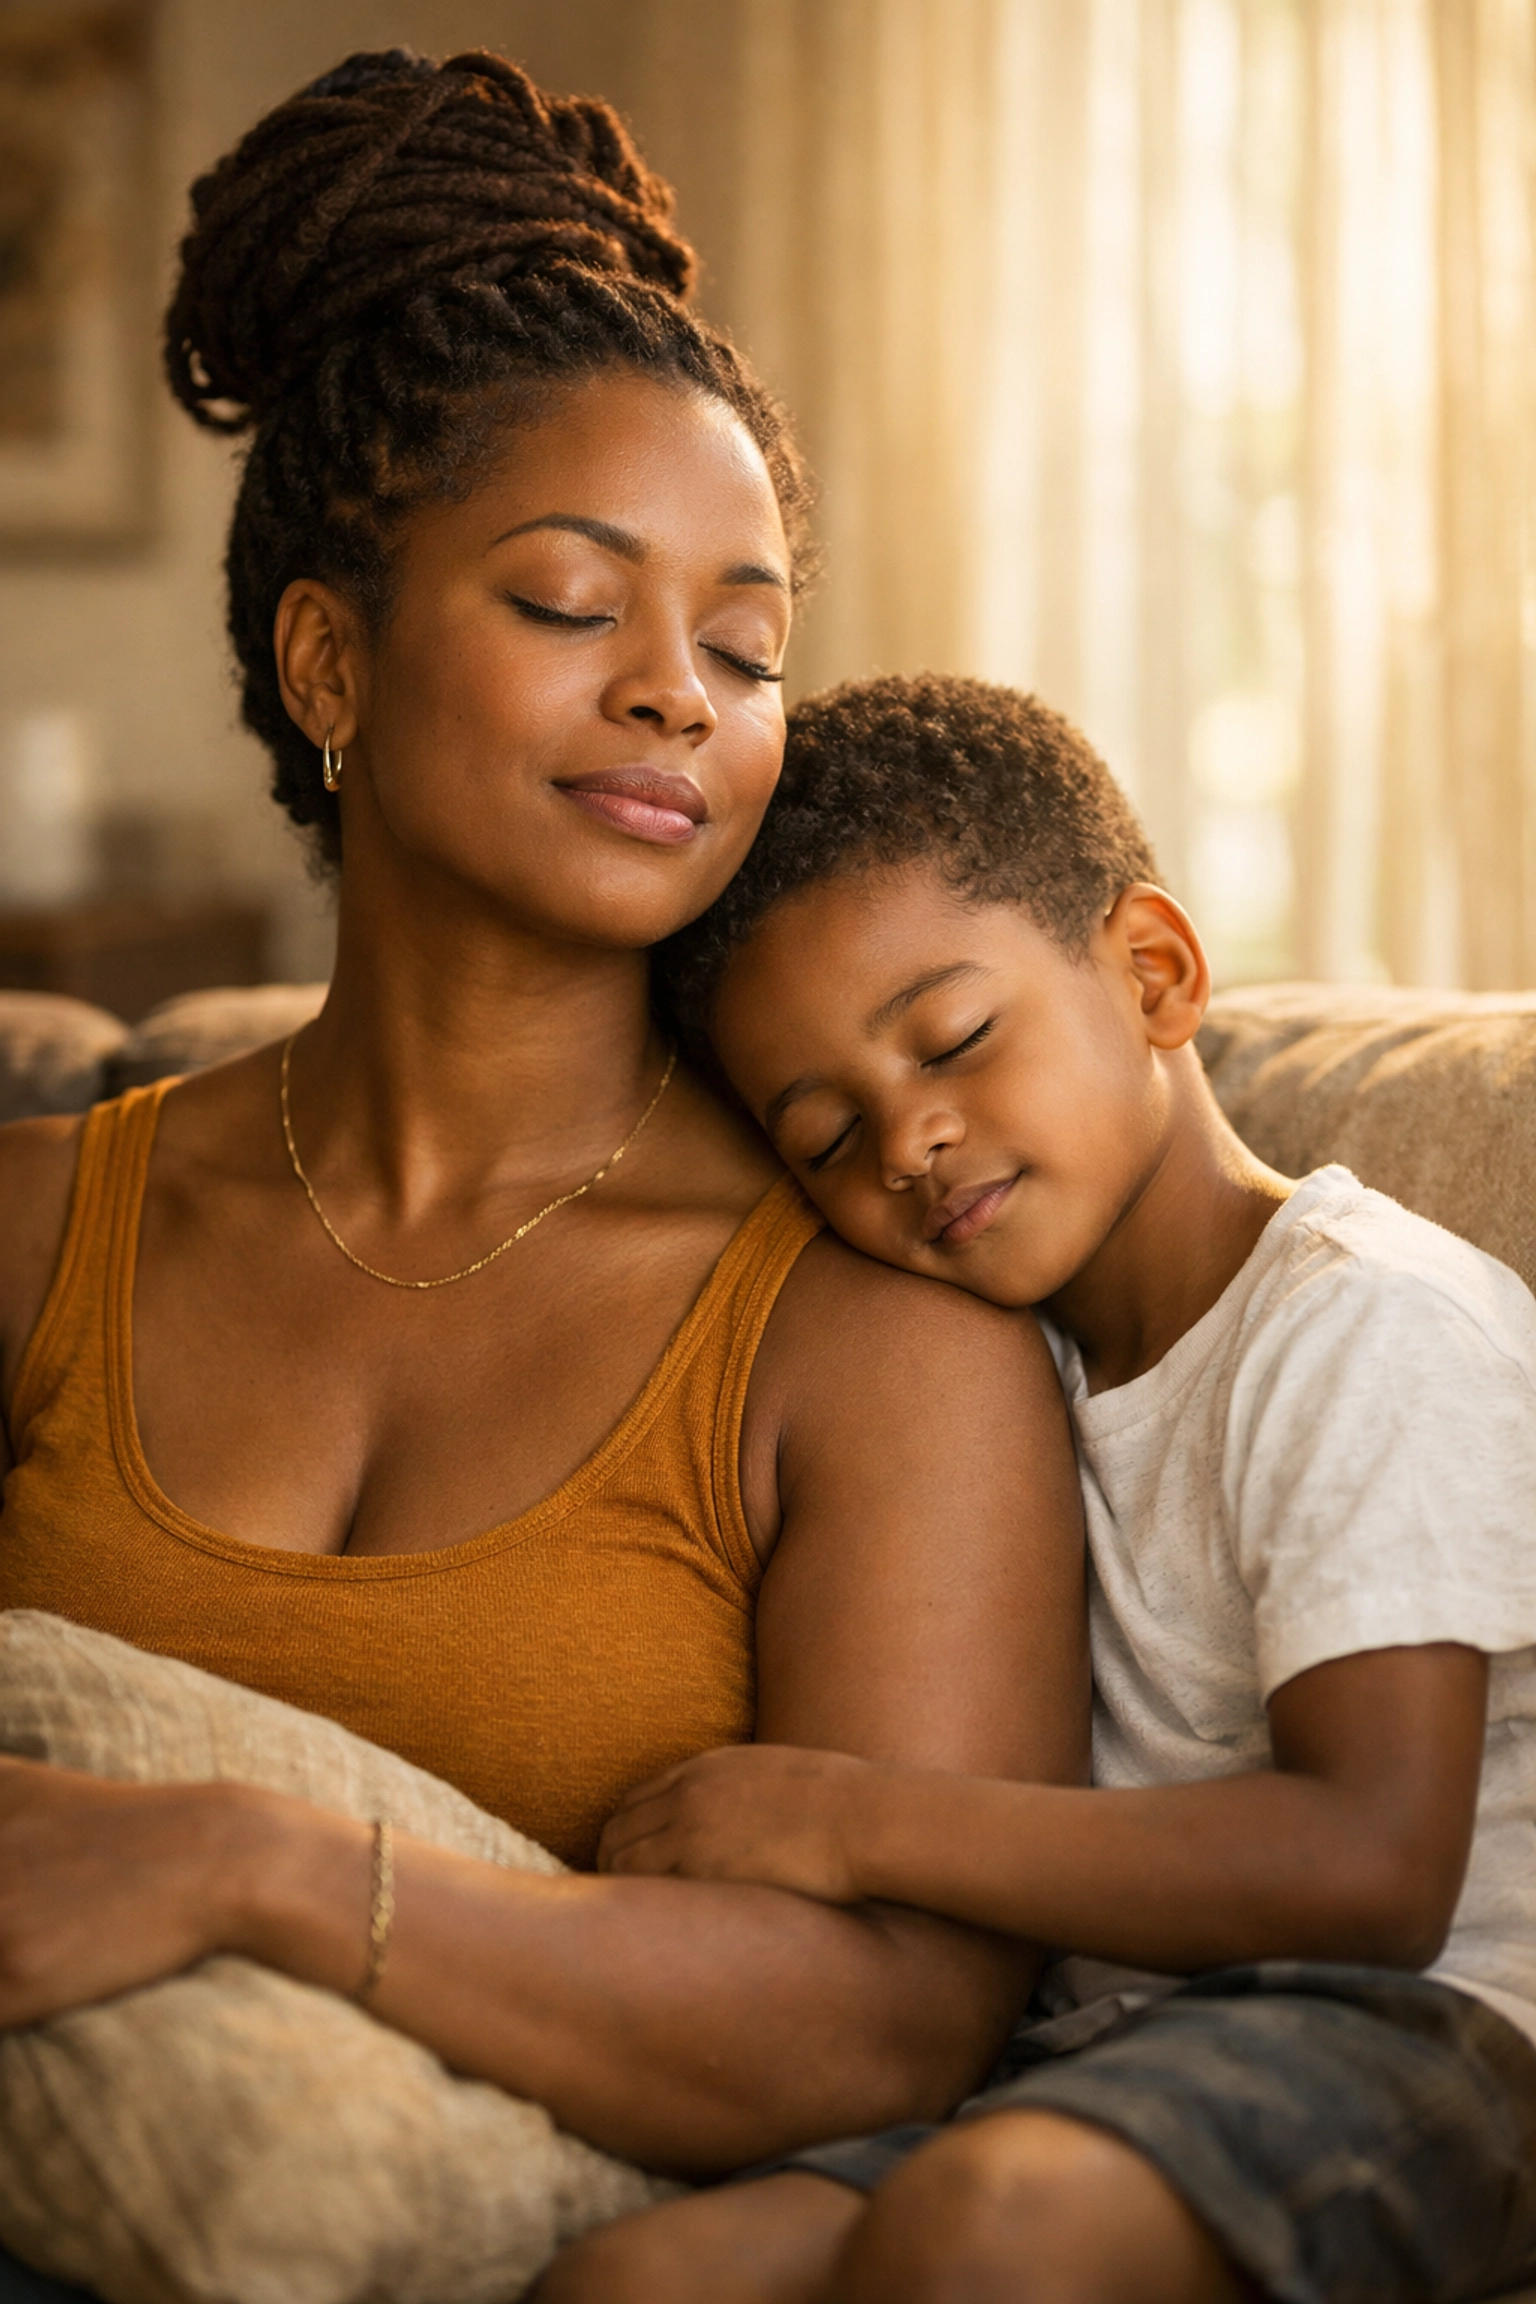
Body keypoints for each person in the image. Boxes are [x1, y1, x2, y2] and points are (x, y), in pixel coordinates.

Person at [0, 63, 1090, 2293]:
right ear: (332, 660)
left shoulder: (872, 1318)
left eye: (750, 642)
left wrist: (259, 1867)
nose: (683, 696)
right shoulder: (38, 1229)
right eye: (576, 604)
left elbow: (893, 2013)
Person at [546, 673, 1536, 2304]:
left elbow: (1371, 1867)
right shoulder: (981, 1373)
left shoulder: (1365, 1324)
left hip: (1442, 2023)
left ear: (1152, 972)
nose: (909, 1143)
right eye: (823, 1133)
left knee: (996, 2230)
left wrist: (851, 1821)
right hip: (1116, 2049)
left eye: (953, 1041)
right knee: (646, 2277)